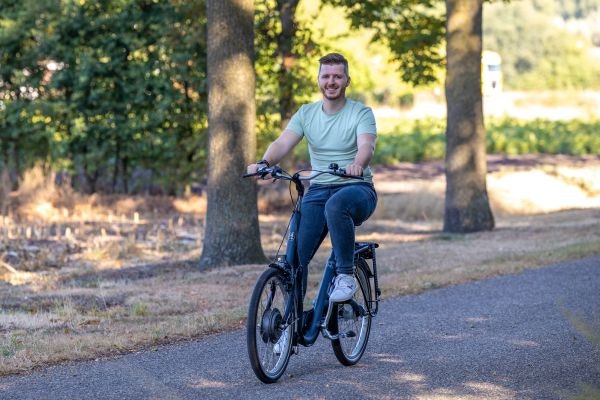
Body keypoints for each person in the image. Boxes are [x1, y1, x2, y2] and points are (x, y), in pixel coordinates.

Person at [247, 52, 377, 304]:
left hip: (357, 188)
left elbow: (366, 146)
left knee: (336, 205)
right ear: (318, 80)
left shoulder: (361, 113)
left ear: (347, 80)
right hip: (318, 189)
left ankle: (346, 275)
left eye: (337, 76)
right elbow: (283, 142)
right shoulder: (306, 113)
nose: (331, 81)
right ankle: (291, 323)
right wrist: (264, 163)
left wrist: (357, 165)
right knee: (295, 257)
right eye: (326, 76)